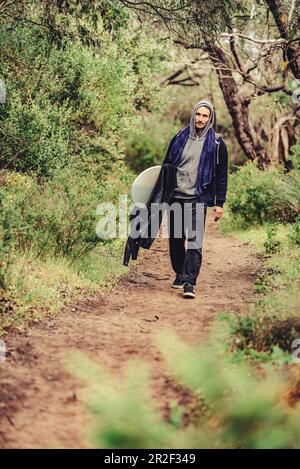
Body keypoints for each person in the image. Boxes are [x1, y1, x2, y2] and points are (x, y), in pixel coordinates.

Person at [162, 99, 228, 299]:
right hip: (175, 196)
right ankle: (180, 273)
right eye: (198, 115)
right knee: (175, 239)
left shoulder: (217, 143)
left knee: (194, 241)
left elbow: (221, 175)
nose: (200, 119)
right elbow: (166, 166)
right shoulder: (179, 137)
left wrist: (219, 203)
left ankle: (189, 281)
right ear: (193, 115)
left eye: (204, 116)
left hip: (198, 198)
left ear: (210, 118)